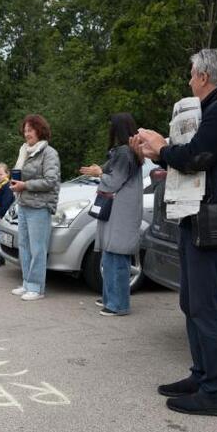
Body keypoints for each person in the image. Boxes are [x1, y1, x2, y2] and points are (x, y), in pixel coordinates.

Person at [130, 49, 217, 418]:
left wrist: (162, 147)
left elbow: (197, 156)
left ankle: (215, 392)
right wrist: (157, 152)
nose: (188, 80)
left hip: (212, 215)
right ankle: (201, 376)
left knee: (206, 305)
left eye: (191, 74)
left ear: (203, 76)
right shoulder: (214, 107)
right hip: (196, 213)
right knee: (191, 301)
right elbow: (190, 157)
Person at [80, 113, 143, 317]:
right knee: (110, 255)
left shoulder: (124, 152)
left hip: (121, 210)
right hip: (120, 209)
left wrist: (99, 174)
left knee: (117, 256)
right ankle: (110, 298)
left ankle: (119, 304)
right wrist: (99, 170)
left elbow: (114, 181)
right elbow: (110, 172)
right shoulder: (127, 151)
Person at [9, 114, 60, 301]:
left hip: (40, 206)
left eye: (30, 130)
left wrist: (25, 185)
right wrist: (15, 183)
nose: (26, 134)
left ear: (40, 130)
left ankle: (37, 288)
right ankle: (26, 283)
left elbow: (51, 181)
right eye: (25, 130)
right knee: (24, 246)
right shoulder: (25, 151)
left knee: (38, 248)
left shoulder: (49, 153)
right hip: (23, 204)